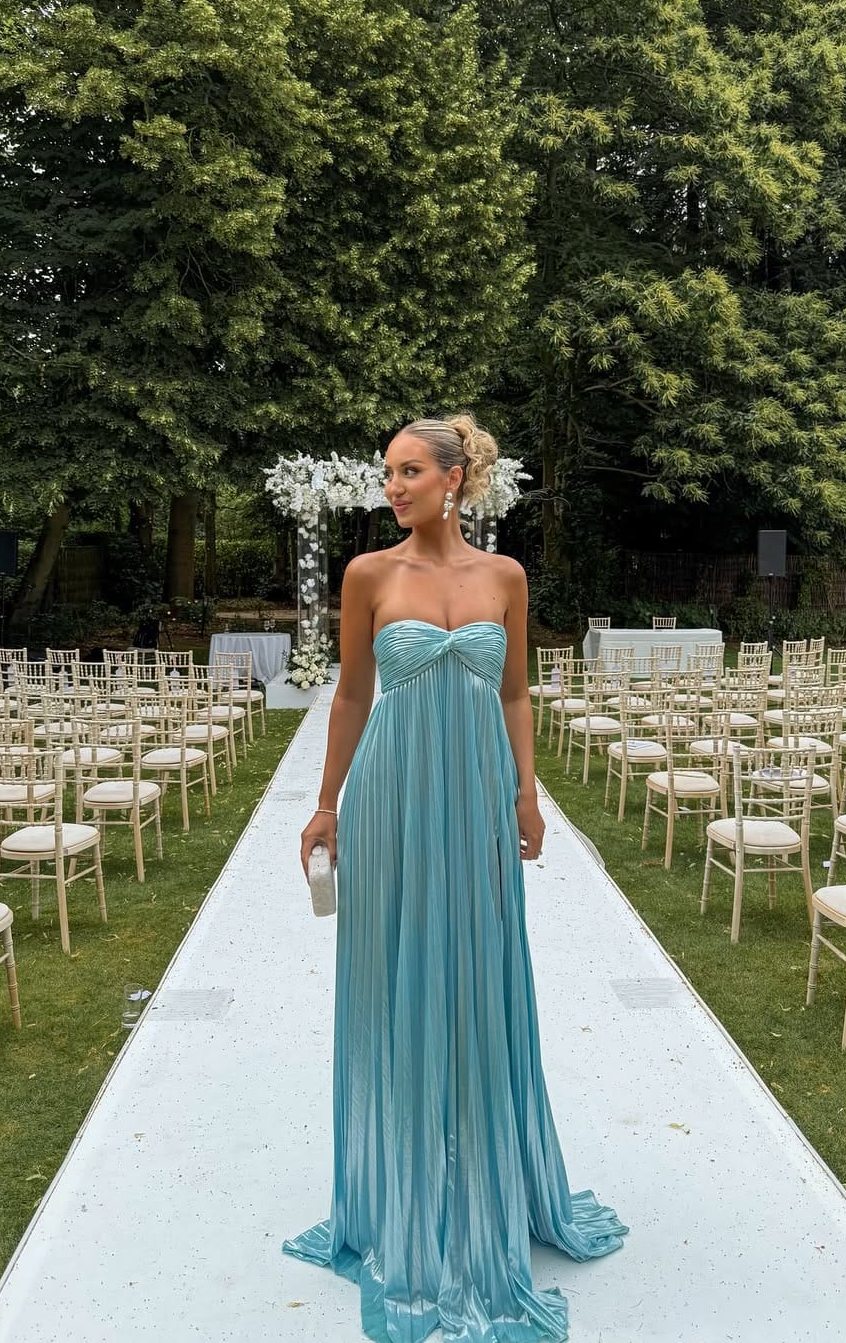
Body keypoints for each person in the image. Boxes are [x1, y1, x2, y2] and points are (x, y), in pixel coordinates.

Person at [282, 413, 628, 1341]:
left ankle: (483, 1185)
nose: (391, 487)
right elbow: (352, 694)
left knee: (477, 977)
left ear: (454, 479)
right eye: (386, 473)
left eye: (407, 472)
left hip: (476, 797)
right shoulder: (368, 574)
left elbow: (514, 691)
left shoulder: (504, 576)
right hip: (393, 797)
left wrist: (527, 790)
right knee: (396, 981)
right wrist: (326, 803)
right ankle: (400, 1192)